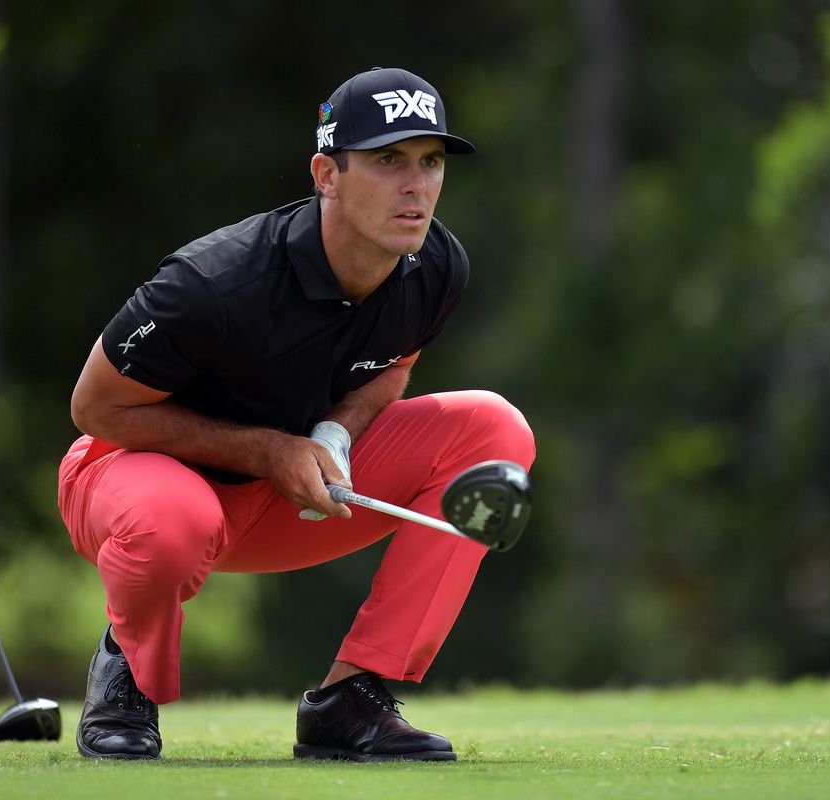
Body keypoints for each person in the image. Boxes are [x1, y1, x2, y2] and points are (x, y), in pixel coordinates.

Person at [57, 66, 536, 762]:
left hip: (285, 500)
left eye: (430, 162)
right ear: (327, 173)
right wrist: (269, 451)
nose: (416, 184)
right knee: (172, 522)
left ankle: (352, 698)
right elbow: (94, 407)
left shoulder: (435, 265)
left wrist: (334, 435)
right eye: (387, 161)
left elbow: (394, 364)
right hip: (132, 481)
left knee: (494, 429)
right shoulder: (213, 284)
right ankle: (126, 670)